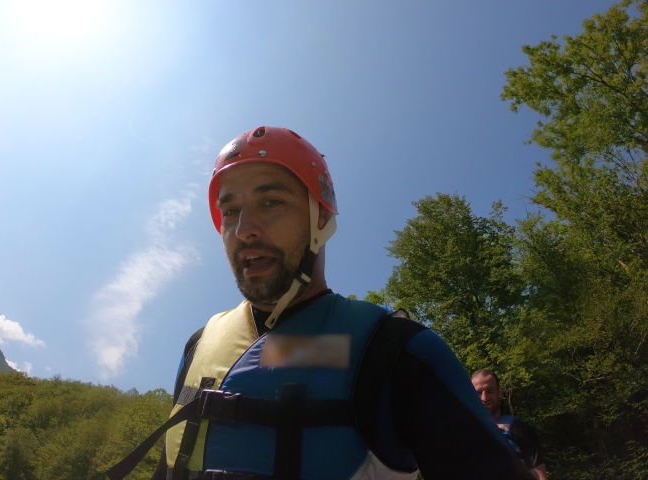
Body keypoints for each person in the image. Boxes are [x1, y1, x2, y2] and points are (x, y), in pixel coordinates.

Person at [106, 126, 535, 480]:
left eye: (271, 202)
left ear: (322, 218)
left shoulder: (397, 350)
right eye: (230, 210)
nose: (244, 229)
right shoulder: (198, 345)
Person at [472, 369, 548, 480]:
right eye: (478, 393)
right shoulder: (466, 432)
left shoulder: (520, 429)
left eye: (490, 391)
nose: (484, 398)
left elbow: (540, 477)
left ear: (500, 392)